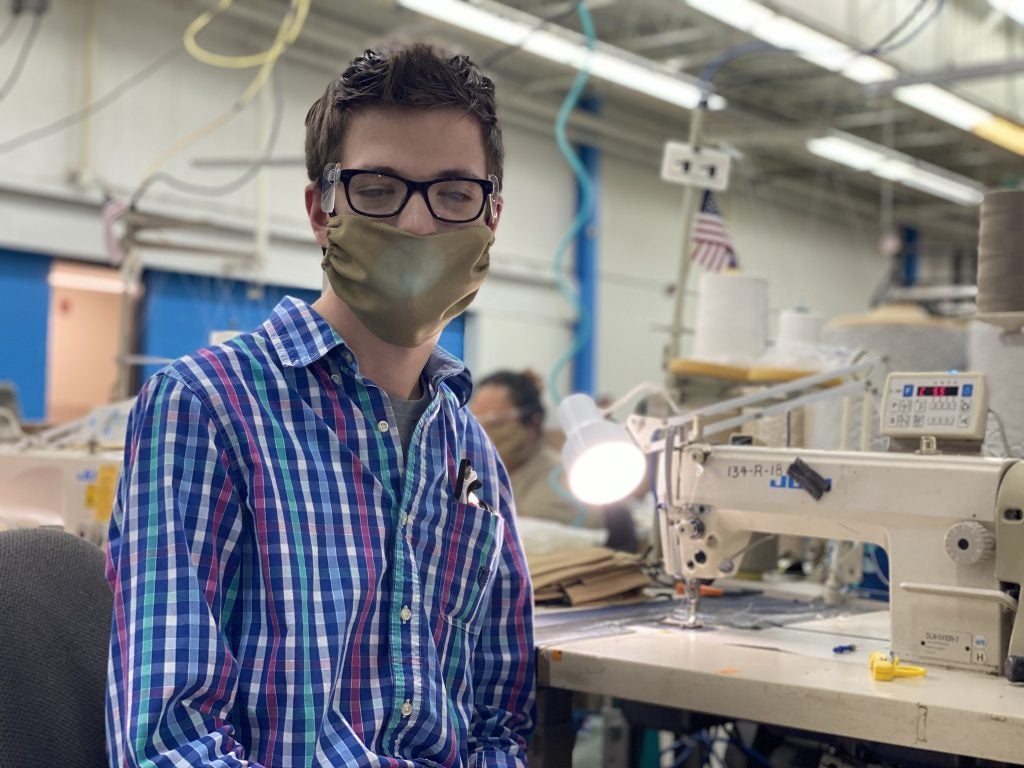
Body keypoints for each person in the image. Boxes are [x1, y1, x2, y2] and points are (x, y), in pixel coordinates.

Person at [106, 43, 534, 767]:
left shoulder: (474, 461)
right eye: (377, 189)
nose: (418, 224)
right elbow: (168, 745)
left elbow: (499, 722)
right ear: (320, 208)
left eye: (454, 194)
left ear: (491, 216)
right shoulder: (206, 410)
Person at [470, 370, 605, 530]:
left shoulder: (559, 485)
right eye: (475, 422)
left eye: (495, 422)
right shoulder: (480, 476)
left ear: (533, 423)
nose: (482, 433)